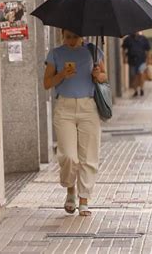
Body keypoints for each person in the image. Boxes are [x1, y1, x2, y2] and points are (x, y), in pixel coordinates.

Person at [43, 29, 106, 217]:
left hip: (88, 106)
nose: (71, 41)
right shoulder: (55, 53)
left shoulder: (93, 51)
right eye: (68, 36)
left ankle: (84, 200)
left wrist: (97, 74)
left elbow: (104, 77)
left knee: (88, 155)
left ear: (82, 36)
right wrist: (61, 74)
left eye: (75, 37)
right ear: (62, 35)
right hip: (65, 107)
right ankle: (70, 189)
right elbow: (46, 83)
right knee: (69, 156)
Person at [122, 31, 151, 97]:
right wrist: (124, 58)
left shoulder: (143, 39)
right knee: (134, 76)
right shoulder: (128, 39)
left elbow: (148, 49)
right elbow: (123, 49)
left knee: (141, 74)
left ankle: (141, 89)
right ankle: (135, 90)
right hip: (132, 61)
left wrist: (148, 60)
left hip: (142, 60)